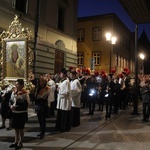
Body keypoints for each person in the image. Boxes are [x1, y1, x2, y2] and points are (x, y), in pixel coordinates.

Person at [9, 79, 30, 149]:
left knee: (21, 128)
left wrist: (16, 107)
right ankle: (16, 141)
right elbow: (10, 101)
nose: (16, 85)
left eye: (18, 84)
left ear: (22, 85)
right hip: (15, 113)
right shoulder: (14, 92)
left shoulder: (25, 93)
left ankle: (20, 142)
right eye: (16, 84)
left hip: (21, 113)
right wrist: (11, 106)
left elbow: (26, 105)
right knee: (15, 128)